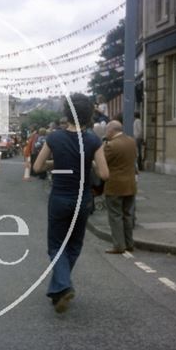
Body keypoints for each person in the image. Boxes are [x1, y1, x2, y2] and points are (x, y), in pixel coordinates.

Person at [34, 93, 109, 313]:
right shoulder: (94, 140)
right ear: (88, 115)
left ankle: (62, 286)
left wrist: (57, 162)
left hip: (59, 198)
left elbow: (38, 167)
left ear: (67, 114)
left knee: (56, 245)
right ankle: (60, 288)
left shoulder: (54, 138)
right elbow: (104, 174)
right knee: (74, 245)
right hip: (82, 200)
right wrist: (88, 164)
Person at [103, 120, 137, 254]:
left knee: (115, 216)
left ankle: (118, 245)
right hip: (130, 184)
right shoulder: (131, 141)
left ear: (111, 130)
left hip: (115, 185)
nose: (106, 133)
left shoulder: (111, 145)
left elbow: (102, 163)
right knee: (127, 215)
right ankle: (129, 243)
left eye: (107, 130)